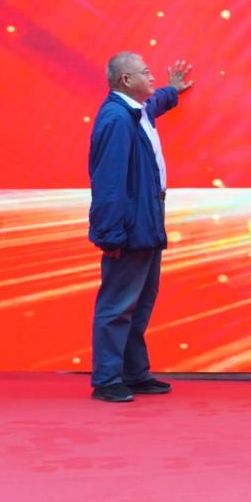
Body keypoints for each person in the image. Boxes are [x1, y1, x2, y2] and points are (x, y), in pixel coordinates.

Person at [86, 52, 193, 403]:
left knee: (142, 299)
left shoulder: (137, 110)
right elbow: (109, 182)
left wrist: (172, 91)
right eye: (146, 72)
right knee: (118, 303)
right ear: (126, 80)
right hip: (130, 223)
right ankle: (107, 379)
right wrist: (110, 235)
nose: (152, 77)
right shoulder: (117, 119)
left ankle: (133, 372)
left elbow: (155, 102)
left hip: (147, 216)